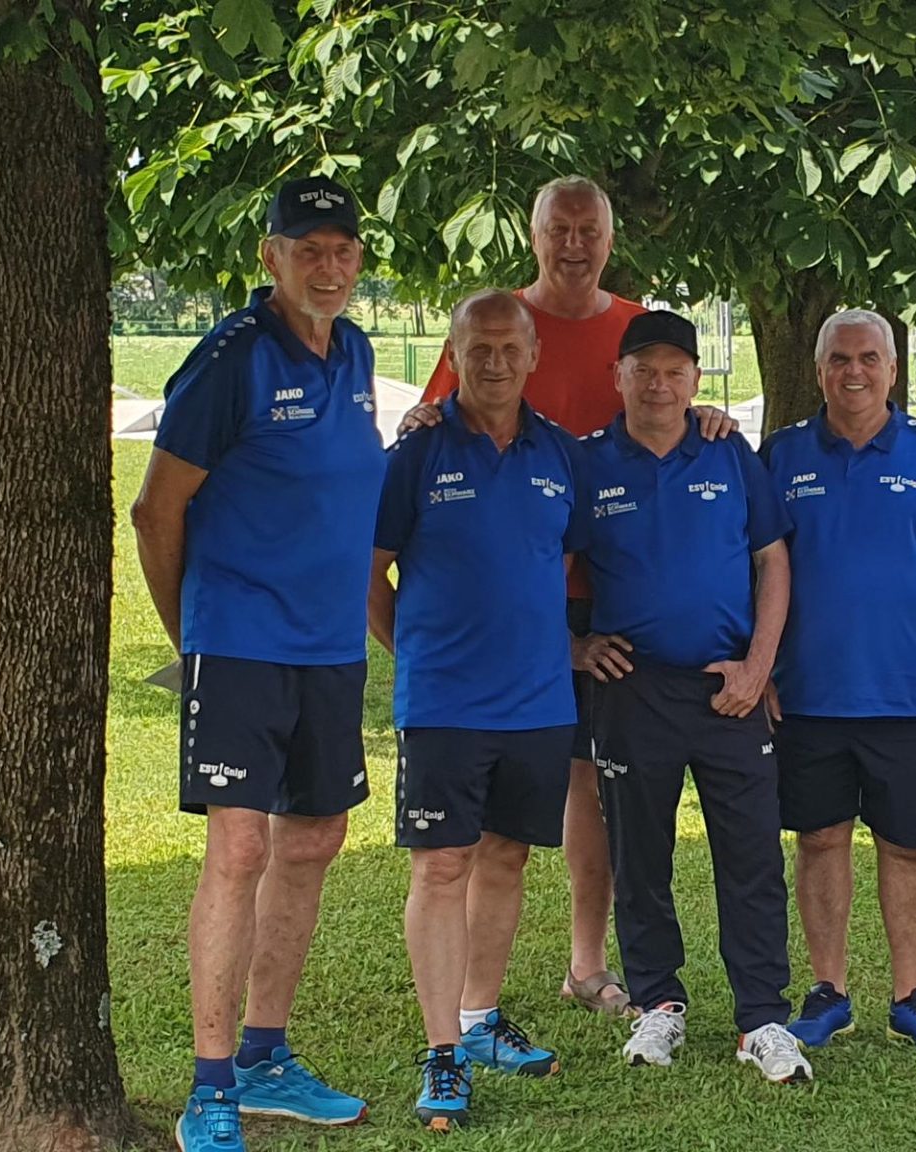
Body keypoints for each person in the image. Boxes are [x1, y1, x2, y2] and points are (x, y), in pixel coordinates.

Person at [396, 176, 734, 1019]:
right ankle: (466, 1002)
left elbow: (669, 404)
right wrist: (416, 422)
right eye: (560, 229)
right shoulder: (496, 322)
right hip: (509, 608)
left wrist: (712, 417)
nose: (575, 245)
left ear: (610, 239)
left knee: (593, 788)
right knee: (489, 817)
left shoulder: (636, 326)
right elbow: (436, 419)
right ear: (535, 235)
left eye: (589, 230)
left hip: (609, 599)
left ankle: (587, 962)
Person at [130, 175, 381, 1152]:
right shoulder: (231, 358)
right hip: (239, 642)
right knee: (239, 851)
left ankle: (267, 1056)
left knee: (313, 841)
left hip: (330, 647)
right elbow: (156, 510)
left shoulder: (354, 352)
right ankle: (211, 1087)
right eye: (307, 250)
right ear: (271, 257)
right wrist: (190, 636)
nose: (328, 267)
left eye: (342, 250)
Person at [570, 310, 809, 1082]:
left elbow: (773, 561)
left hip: (726, 689)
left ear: (696, 380)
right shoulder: (587, 463)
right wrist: (572, 647)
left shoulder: (727, 451)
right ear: (618, 376)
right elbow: (536, 559)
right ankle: (658, 1005)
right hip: (631, 689)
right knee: (640, 855)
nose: (659, 384)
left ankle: (762, 1017)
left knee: (752, 855)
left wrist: (757, 667)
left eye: (675, 371)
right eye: (643, 369)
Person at [366, 291, 586, 1130]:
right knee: (441, 865)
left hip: (538, 704)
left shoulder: (560, 453)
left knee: (506, 857)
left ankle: (481, 1018)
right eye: (478, 348)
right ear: (453, 354)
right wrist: (415, 649)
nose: (494, 363)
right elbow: (370, 572)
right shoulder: (417, 452)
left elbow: (556, 561)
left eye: (508, 348)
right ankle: (443, 1052)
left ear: (533, 355)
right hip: (444, 704)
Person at [755, 310, 916, 1056]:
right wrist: (758, 663)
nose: (852, 372)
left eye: (867, 358)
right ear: (818, 369)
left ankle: (911, 995)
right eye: (838, 359)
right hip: (808, 694)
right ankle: (828, 990)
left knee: (907, 847)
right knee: (820, 840)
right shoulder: (782, 455)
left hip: (906, 694)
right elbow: (754, 563)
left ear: (892, 369)